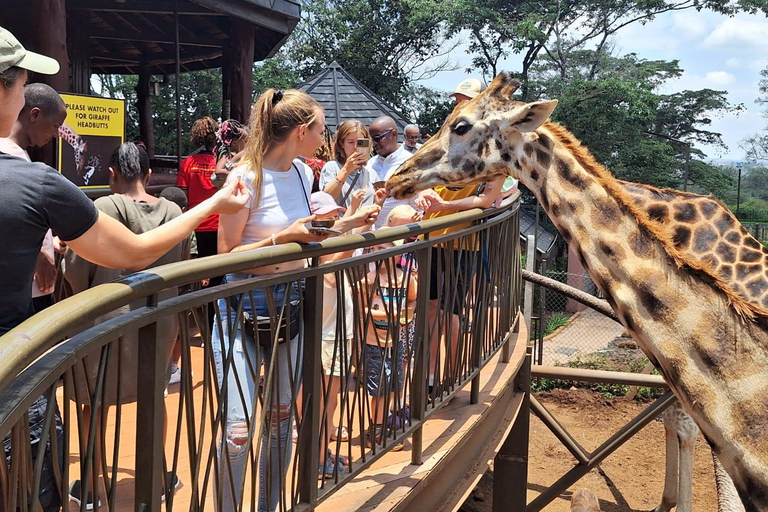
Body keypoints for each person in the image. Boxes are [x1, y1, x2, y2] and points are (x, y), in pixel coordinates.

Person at [0, 25, 247, 511]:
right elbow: (134, 252)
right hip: (16, 378)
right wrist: (216, 202)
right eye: (20, 78)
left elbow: (76, 271)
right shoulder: (34, 184)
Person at [214, 88, 379, 512]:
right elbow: (225, 256)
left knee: (280, 418)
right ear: (302, 131)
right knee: (237, 429)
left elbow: (309, 235)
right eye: (322, 131)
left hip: (290, 306)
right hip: (242, 307)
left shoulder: (304, 174)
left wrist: (348, 225)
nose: (324, 139)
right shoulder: (244, 177)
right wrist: (282, 239)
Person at [62, 142, 190, 507]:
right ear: (149, 176)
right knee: (155, 396)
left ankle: (90, 488)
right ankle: (157, 476)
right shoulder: (174, 211)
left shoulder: (101, 209)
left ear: (112, 174)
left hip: (106, 326)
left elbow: (75, 272)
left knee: (93, 402)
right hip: (159, 322)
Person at [0, 82, 67, 312]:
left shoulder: (20, 154)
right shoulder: (7, 156)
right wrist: (39, 254)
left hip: (32, 284)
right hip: (23, 289)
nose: (57, 134)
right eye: (55, 125)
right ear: (35, 115)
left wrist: (50, 243)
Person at [359, 241, 417, 452]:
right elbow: (361, 309)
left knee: (394, 384)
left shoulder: (407, 279)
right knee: (379, 388)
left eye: (382, 248)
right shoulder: (369, 279)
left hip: (396, 339)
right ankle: (376, 428)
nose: (376, 253)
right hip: (374, 341)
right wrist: (386, 315)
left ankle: (383, 423)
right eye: (373, 248)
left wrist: (407, 314)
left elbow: (412, 300)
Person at [176, 116, 222, 324]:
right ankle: (216, 324)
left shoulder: (187, 164)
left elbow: (182, 197)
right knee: (219, 275)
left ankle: (200, 323)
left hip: (196, 226)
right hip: (220, 225)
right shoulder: (221, 165)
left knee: (196, 276)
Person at [366, 116, 415, 229]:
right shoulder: (370, 164)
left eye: (378, 139)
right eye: (372, 140)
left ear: (393, 134)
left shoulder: (410, 163)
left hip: (400, 235)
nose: (374, 144)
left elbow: (418, 207)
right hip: (373, 237)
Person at [319, 120, 377, 208]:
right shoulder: (332, 167)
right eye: (350, 142)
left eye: (360, 143)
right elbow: (326, 198)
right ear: (342, 143)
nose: (355, 147)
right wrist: (346, 170)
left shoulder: (370, 172)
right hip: (342, 221)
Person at [213, 118, 248, 185]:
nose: (247, 144)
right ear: (235, 143)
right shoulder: (225, 154)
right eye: (245, 142)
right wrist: (235, 174)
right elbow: (218, 171)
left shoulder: (233, 154)